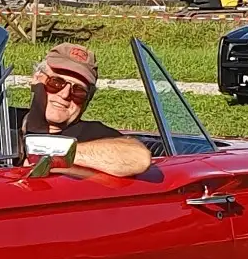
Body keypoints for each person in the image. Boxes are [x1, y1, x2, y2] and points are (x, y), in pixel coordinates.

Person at [18, 43, 153, 178]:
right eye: (56, 83)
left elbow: (139, 158)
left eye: (78, 91)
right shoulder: (3, 120)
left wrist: (52, 153)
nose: (64, 94)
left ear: (88, 98)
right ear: (36, 79)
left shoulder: (94, 135)